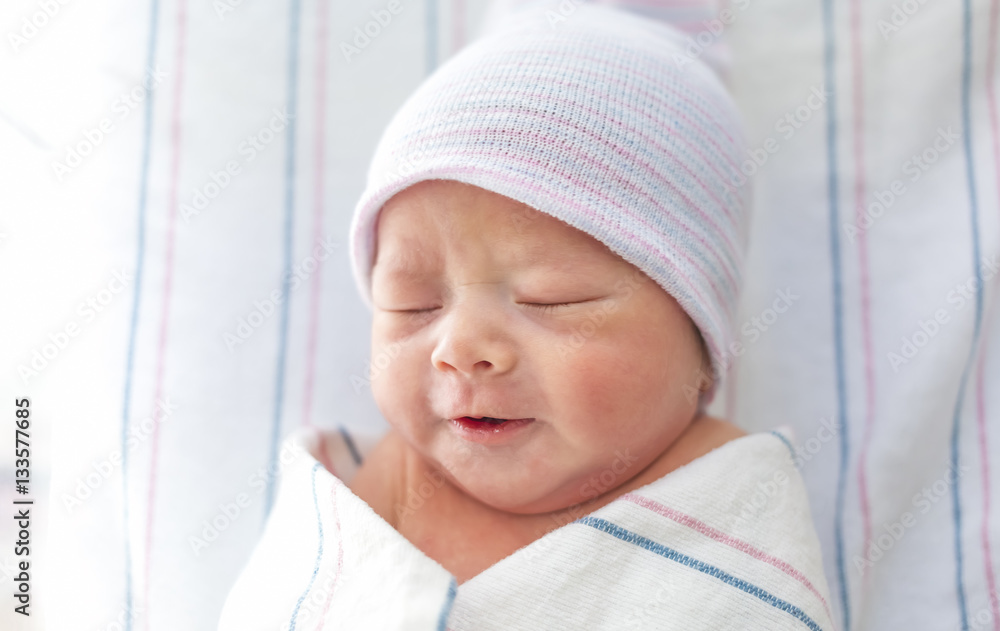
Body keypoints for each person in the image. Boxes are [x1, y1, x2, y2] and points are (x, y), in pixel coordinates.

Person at [219, 2, 835, 629]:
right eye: (414, 304)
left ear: (703, 345)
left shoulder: (734, 508)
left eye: (551, 298)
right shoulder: (378, 493)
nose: (458, 347)